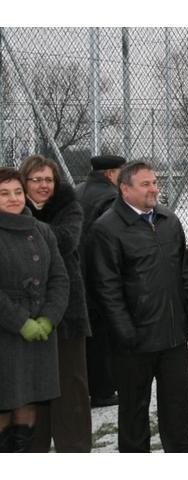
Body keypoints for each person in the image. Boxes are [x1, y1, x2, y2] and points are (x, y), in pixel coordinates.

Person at [88, 161, 188, 452]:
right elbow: (106, 287)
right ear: (124, 189)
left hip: (173, 336)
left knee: (178, 408)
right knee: (134, 412)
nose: (154, 189)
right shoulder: (107, 229)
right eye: (145, 184)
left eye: (155, 182)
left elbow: (184, 270)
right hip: (134, 341)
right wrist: (125, 331)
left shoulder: (169, 221)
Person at [19, 155, 92, 452]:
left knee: (70, 384)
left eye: (48, 179)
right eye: (36, 179)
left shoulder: (69, 207)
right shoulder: (13, 207)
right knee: (32, 387)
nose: (43, 185)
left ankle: (75, 449)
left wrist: (22, 227)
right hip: (25, 314)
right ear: (24, 182)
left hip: (67, 312)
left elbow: (65, 240)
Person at [0, 167, 69, 453]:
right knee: (4, 405)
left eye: (17, 191)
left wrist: (49, 318)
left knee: (28, 403)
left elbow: (59, 278)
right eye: (4, 193)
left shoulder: (41, 230)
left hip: (40, 333)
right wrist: (20, 322)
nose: (13, 198)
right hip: (6, 335)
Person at [75, 154, 125, 408]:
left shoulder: (79, 191)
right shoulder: (111, 197)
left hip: (79, 271)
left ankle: (88, 386)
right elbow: (112, 238)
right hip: (100, 274)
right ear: (110, 173)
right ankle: (103, 390)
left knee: (88, 336)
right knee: (103, 336)